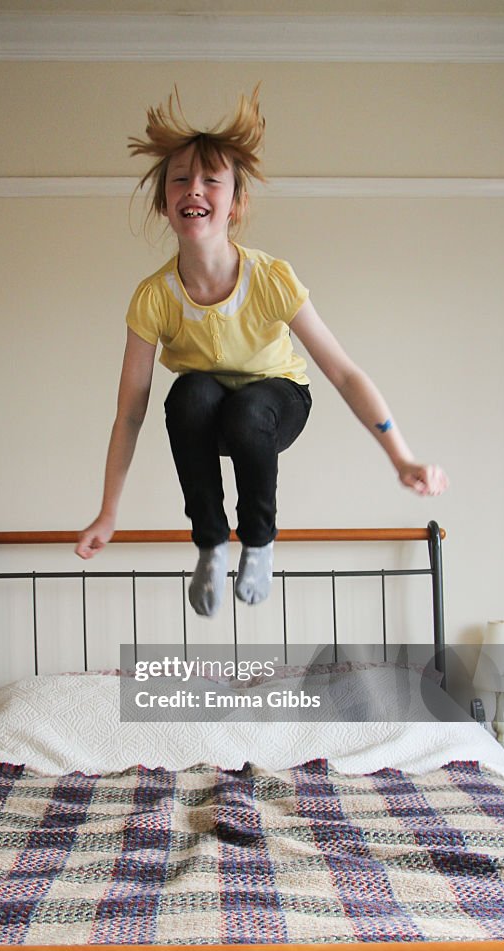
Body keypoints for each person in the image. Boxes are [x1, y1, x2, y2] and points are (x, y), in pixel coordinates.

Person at [75, 86, 448, 616]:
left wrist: (402, 456)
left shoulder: (269, 278)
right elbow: (130, 411)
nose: (193, 189)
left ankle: (258, 541)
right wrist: (108, 513)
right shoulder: (155, 296)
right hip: (207, 415)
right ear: (164, 200)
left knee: (248, 406)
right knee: (189, 392)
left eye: (211, 180)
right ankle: (210, 544)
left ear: (236, 202)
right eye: (180, 179)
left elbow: (342, 373)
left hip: (277, 403)